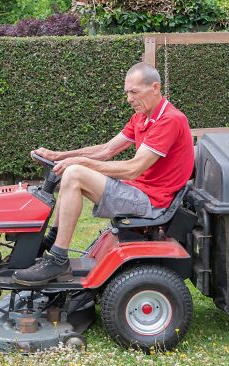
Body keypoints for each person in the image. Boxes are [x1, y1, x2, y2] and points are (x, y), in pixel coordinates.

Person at [12, 62, 194, 286]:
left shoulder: (170, 120)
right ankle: (51, 242)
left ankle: (58, 258)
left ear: (155, 88)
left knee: (75, 174)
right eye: (127, 92)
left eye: (134, 92)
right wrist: (58, 155)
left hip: (152, 202)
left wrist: (79, 162)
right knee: (71, 171)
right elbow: (106, 150)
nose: (129, 98)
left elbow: (133, 168)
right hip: (139, 190)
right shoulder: (142, 118)